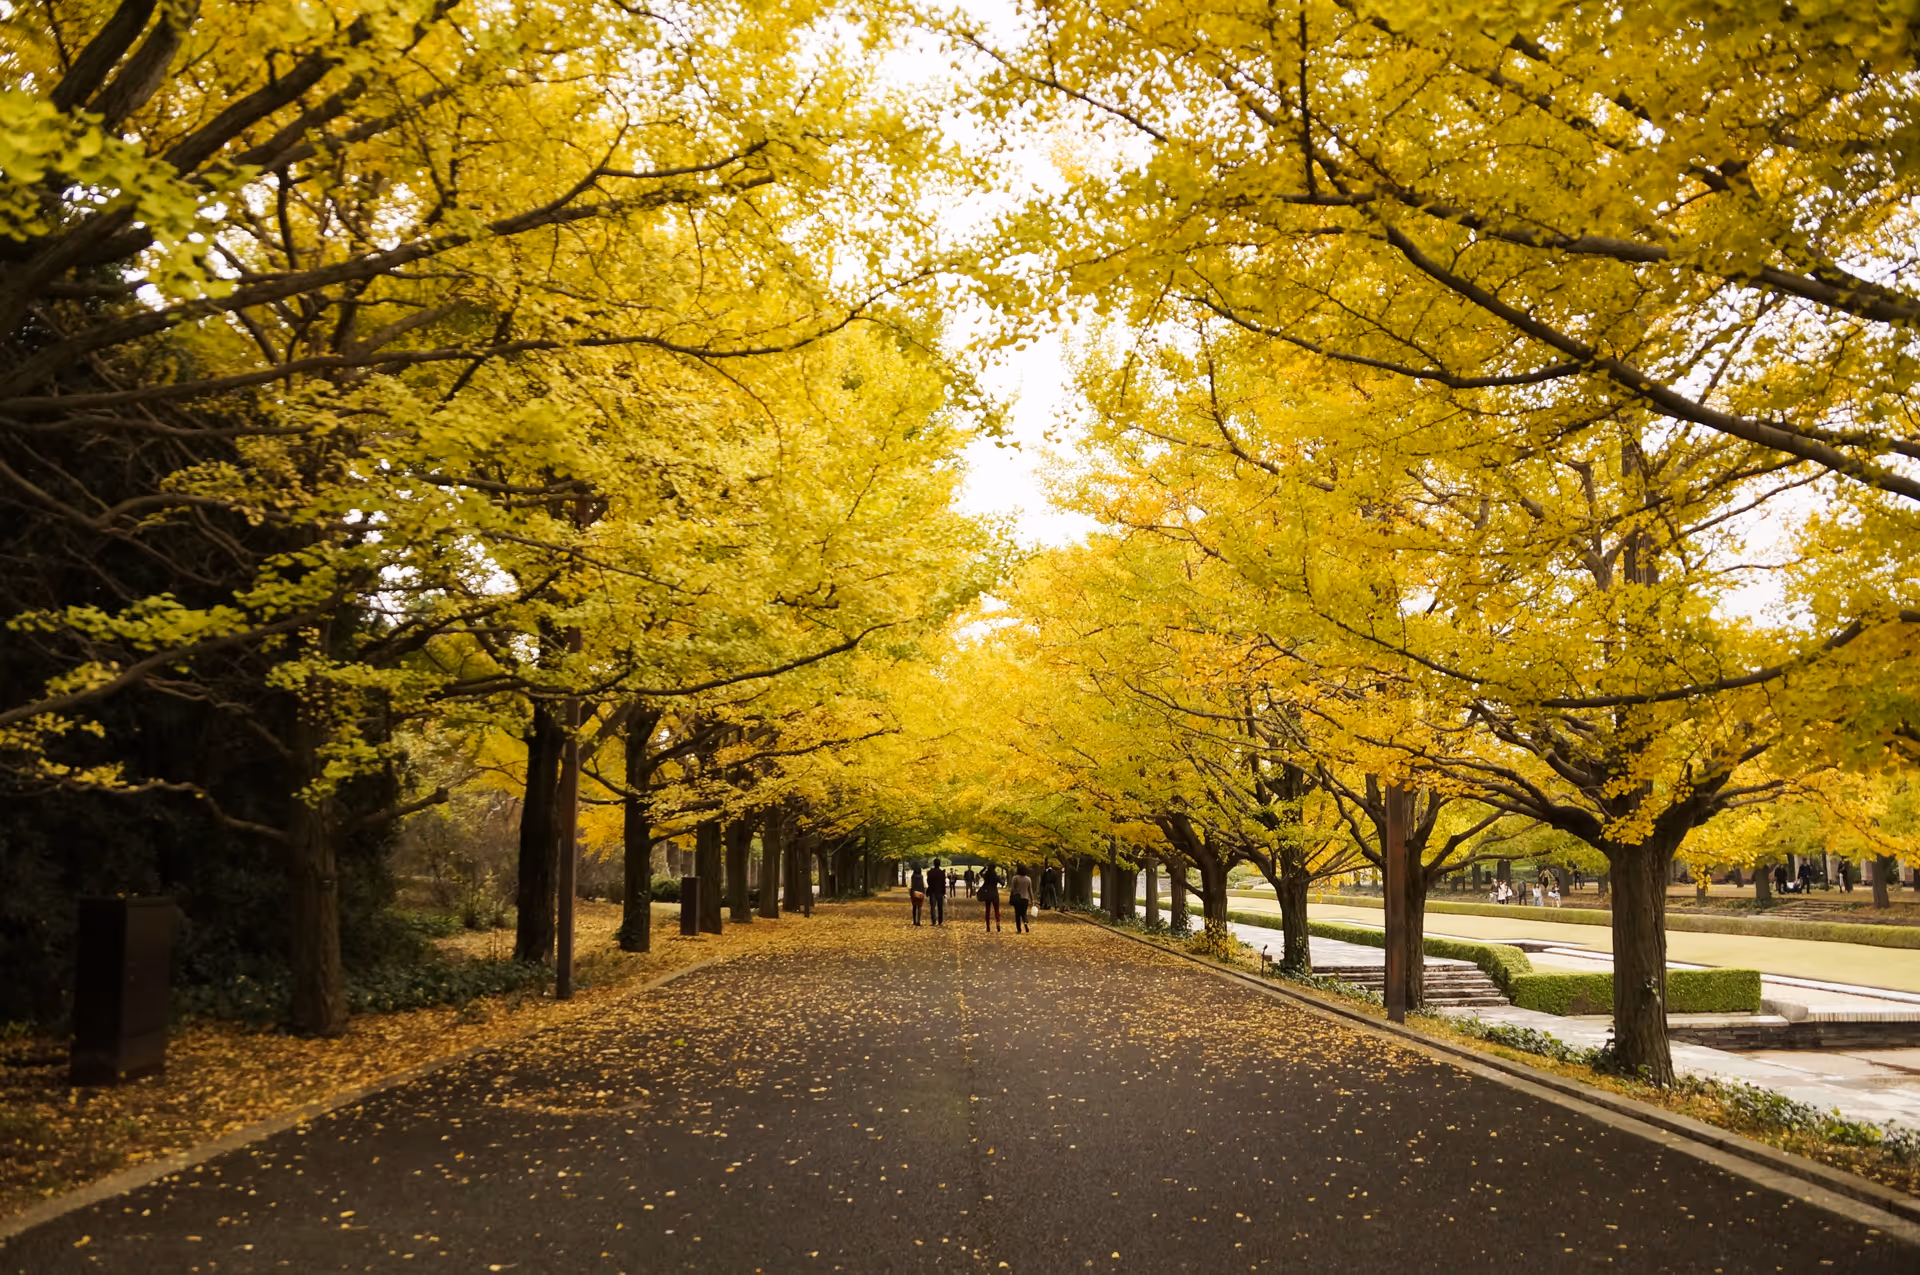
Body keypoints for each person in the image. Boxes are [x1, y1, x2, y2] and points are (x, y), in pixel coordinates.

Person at [1010, 865, 1035, 932]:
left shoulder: (1015, 878)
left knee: (1017, 914)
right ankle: (1025, 923)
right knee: (1024, 913)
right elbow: (1030, 890)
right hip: (1025, 898)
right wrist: (1032, 899)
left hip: (1017, 898)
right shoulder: (1028, 879)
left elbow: (1012, 889)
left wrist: (1011, 896)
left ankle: (1019, 929)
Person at [979, 863, 1002, 932]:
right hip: (995, 894)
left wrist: (984, 868)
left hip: (988, 894)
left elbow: (980, 873)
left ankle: (988, 927)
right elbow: (1002, 883)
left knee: (987, 911)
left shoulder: (986, 876)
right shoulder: (996, 876)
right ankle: (998, 923)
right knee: (996, 910)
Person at [926, 859, 948, 926]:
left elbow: (928, 881)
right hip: (940, 891)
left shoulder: (930, 872)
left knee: (933, 906)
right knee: (940, 907)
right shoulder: (942, 873)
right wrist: (944, 892)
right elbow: (943, 883)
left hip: (932, 891)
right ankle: (940, 920)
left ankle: (933, 921)